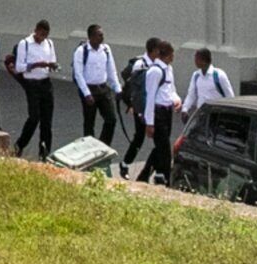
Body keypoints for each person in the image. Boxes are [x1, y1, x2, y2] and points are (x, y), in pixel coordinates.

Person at [126, 36, 182, 181]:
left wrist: (176, 100)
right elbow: (150, 98)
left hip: (167, 111)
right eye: (172, 54)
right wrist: (149, 123)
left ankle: (145, 175)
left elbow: (170, 89)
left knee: (160, 147)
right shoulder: (155, 72)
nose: (173, 57)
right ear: (167, 55)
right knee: (164, 149)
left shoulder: (168, 69)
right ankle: (166, 178)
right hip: (157, 113)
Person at [11, 19, 61, 156]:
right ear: (36, 30)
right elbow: (20, 67)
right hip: (32, 84)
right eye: (41, 34)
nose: (43, 38)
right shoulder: (25, 44)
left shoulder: (49, 43)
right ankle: (20, 144)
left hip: (45, 83)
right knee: (34, 117)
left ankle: (44, 152)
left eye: (46, 35)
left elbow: (52, 61)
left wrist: (53, 66)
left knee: (47, 121)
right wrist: (37, 64)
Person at [71, 25, 120, 142]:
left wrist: (117, 88)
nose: (102, 37)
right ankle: (89, 147)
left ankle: (103, 144)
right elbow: (78, 74)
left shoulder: (106, 50)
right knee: (89, 122)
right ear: (91, 37)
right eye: (99, 35)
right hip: (89, 89)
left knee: (111, 119)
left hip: (103, 88)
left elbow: (111, 70)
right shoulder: (81, 51)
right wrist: (86, 93)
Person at [180, 45, 235, 143]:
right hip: (202, 114)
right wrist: (185, 109)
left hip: (217, 115)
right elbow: (191, 94)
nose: (195, 61)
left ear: (204, 60)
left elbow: (230, 96)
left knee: (216, 140)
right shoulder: (196, 75)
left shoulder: (219, 75)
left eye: (197, 58)